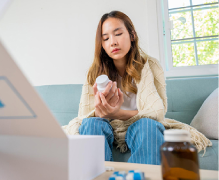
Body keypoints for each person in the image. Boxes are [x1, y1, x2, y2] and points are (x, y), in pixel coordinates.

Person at [62, 11, 211, 165]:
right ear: (102, 45)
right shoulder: (94, 73)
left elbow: (156, 113)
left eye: (118, 34)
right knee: (91, 124)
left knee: (148, 125)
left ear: (132, 35)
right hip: (106, 128)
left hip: (139, 128)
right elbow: (85, 117)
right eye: (105, 38)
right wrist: (101, 112)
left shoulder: (150, 66)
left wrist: (118, 113)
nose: (112, 42)